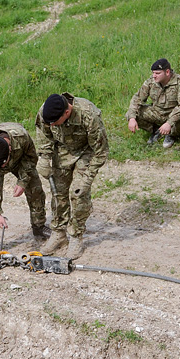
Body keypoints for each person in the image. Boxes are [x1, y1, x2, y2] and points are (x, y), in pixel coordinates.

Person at [35, 92, 108, 260]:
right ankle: (59, 233)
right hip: (62, 151)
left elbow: (101, 151)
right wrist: (45, 158)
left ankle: (76, 236)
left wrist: (87, 179)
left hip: (87, 152)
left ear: (67, 112)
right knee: (58, 193)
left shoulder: (88, 114)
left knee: (78, 193)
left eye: (55, 122)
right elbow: (45, 134)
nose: (52, 124)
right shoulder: (46, 112)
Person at [0, 123, 50, 254]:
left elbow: (32, 159)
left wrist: (23, 181)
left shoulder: (22, 137)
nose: (5, 168)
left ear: (10, 149)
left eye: (5, 164)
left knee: (36, 190)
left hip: (20, 159)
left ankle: (39, 227)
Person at [127, 58, 180, 148]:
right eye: (153, 73)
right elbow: (137, 99)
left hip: (173, 115)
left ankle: (171, 135)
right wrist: (132, 118)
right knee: (132, 114)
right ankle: (157, 131)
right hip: (158, 113)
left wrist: (169, 123)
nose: (154, 76)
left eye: (157, 73)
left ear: (167, 72)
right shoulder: (151, 82)